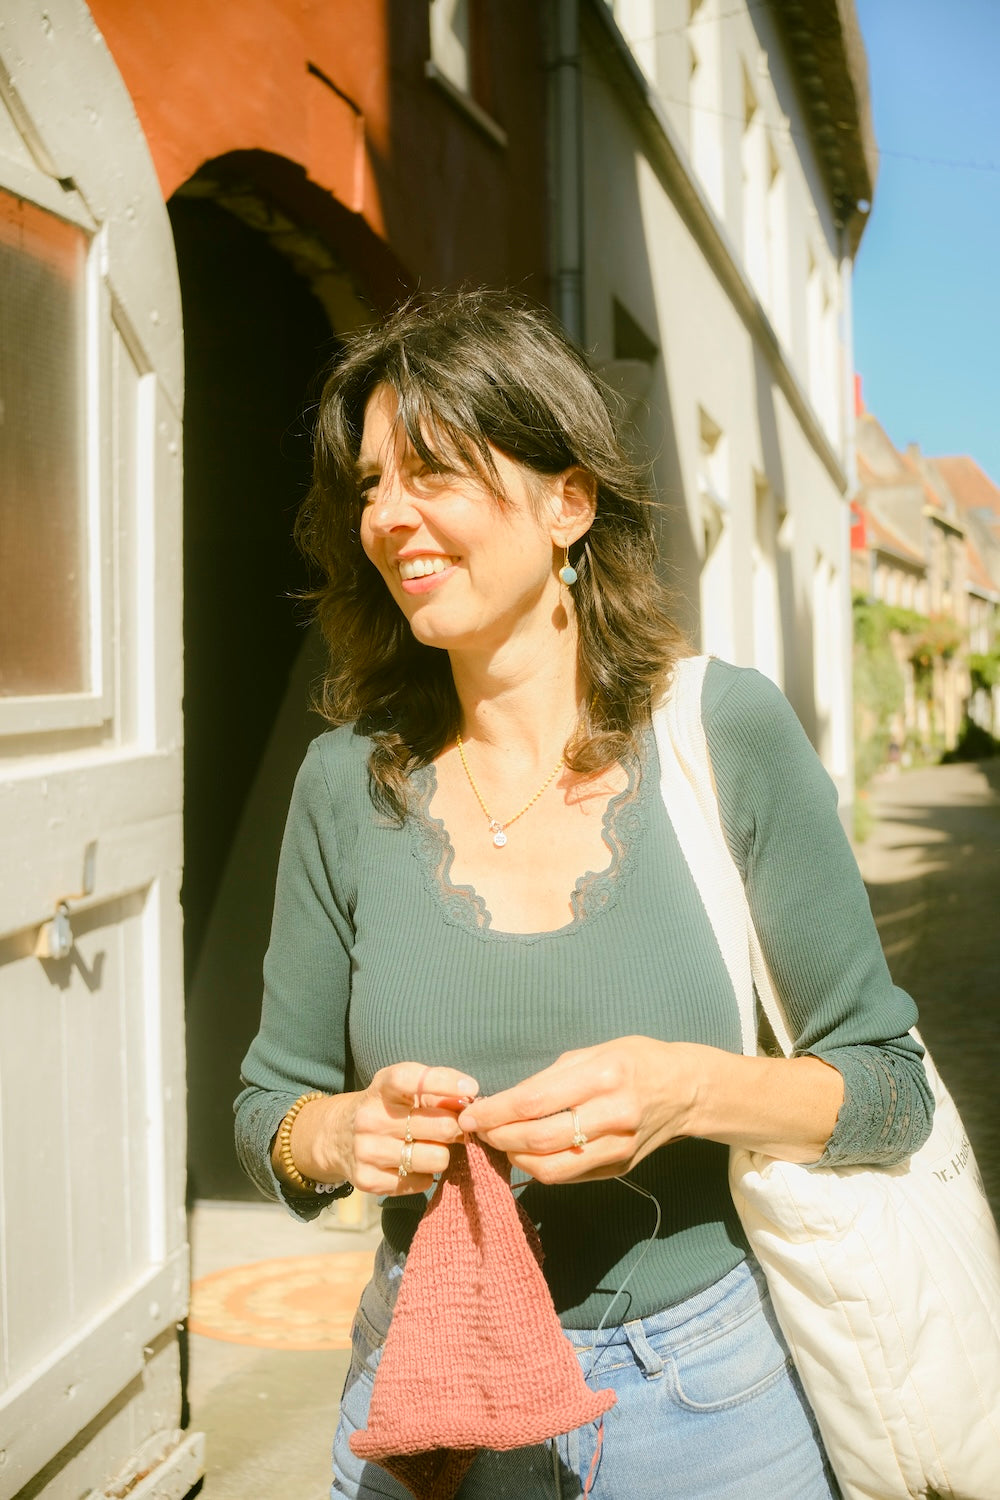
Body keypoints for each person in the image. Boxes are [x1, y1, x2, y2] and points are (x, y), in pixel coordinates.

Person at [235, 290, 934, 1499]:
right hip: (426, 1402)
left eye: (434, 472)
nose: (389, 515)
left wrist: (692, 1090)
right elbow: (267, 1110)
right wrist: (342, 1132)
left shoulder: (726, 733)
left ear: (569, 502)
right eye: (368, 485)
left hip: (709, 1406)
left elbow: (889, 1090)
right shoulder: (343, 784)